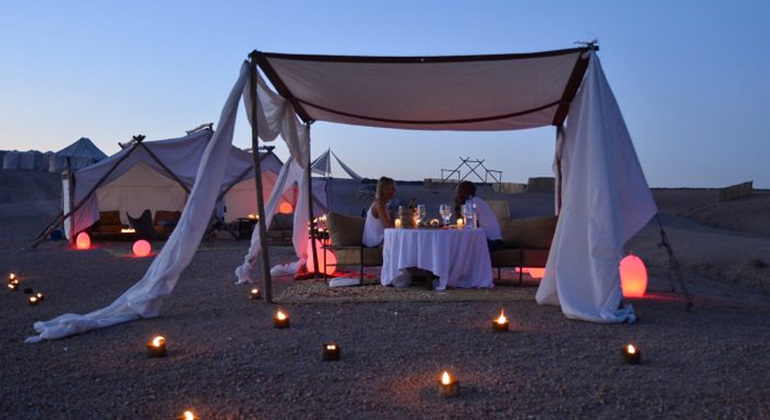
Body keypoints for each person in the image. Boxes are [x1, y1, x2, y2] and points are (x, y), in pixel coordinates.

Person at [454, 181, 505, 250]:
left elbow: (471, 227)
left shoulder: (473, 203)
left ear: (467, 193)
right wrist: (457, 207)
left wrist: (458, 207)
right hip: (489, 240)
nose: (458, 194)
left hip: (493, 242)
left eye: (460, 191)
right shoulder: (472, 202)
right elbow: (461, 222)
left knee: (463, 246)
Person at [362, 176, 396, 247]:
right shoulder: (379, 205)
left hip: (379, 240)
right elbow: (389, 227)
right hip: (374, 243)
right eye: (392, 189)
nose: (394, 191)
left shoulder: (384, 205)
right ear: (384, 189)